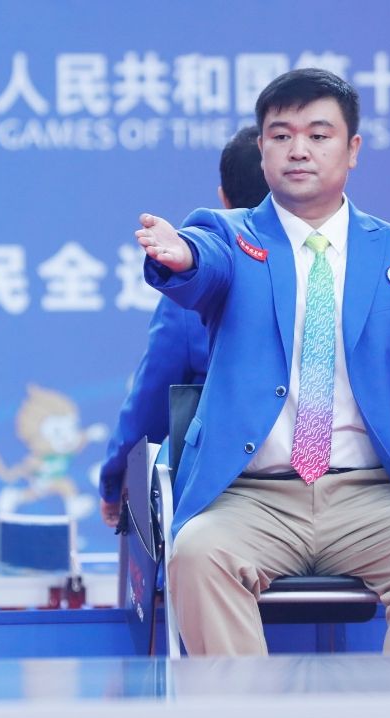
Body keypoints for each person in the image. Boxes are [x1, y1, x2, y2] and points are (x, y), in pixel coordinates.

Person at [134, 68, 390, 656]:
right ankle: (245, 715)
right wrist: (184, 258)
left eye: (318, 136)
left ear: (352, 149)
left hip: (371, 494)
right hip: (251, 497)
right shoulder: (230, 235)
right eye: (281, 135)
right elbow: (203, 266)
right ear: (262, 148)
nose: (298, 150)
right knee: (198, 552)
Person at [99, 125, 270, 526]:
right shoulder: (338, 266)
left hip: (226, 499)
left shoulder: (193, 289)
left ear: (223, 199)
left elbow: (152, 398)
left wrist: (115, 479)